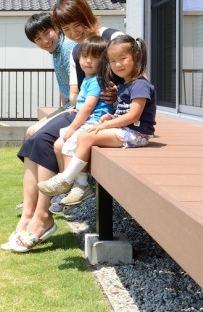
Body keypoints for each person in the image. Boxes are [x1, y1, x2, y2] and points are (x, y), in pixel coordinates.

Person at [3, 0, 123, 252]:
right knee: (34, 139)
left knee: (45, 139)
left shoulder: (113, 38)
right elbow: (74, 96)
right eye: (66, 29)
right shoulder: (77, 49)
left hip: (108, 117)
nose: (72, 32)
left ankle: (42, 218)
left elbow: (138, 79)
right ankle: (30, 215)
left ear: (87, 15)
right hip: (84, 111)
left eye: (74, 25)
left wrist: (119, 96)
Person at [38, 34, 156, 199]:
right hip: (126, 130)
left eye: (122, 58)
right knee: (83, 137)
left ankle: (67, 179)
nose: (118, 65)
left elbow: (133, 115)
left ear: (136, 57)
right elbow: (124, 111)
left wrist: (105, 125)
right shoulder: (125, 84)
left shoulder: (140, 85)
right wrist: (111, 118)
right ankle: (79, 183)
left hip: (137, 135)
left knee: (86, 137)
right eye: (113, 61)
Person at [51, 35, 113, 171]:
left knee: (67, 147)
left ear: (104, 61)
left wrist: (73, 128)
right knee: (58, 146)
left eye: (94, 57)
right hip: (87, 120)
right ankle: (64, 184)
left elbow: (88, 107)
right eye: (84, 56)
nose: (88, 61)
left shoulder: (97, 80)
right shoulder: (88, 79)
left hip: (95, 122)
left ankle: (77, 184)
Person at [22, 12, 76, 140]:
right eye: (38, 39)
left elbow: (76, 86)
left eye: (46, 33)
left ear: (56, 28)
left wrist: (66, 109)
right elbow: (64, 85)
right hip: (69, 106)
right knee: (31, 132)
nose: (45, 41)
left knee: (33, 132)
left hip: (79, 107)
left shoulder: (67, 47)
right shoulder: (55, 51)